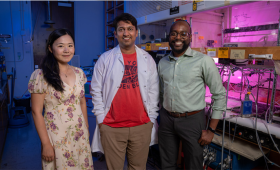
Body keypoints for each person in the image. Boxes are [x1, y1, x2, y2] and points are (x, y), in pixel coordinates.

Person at [90, 13, 159, 170]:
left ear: (136, 32)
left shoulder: (147, 59)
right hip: (112, 126)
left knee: (138, 167)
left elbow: (154, 91)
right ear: (115, 34)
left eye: (130, 29)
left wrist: (151, 118)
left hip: (141, 125)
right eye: (121, 29)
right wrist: (101, 120)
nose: (126, 33)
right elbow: (95, 90)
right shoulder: (105, 59)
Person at [158, 20, 226, 170]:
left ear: (190, 37)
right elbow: (162, 92)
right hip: (167, 119)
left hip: (192, 120)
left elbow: (220, 95)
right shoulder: (162, 62)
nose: (178, 38)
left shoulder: (203, 61)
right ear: (169, 36)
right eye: (174, 33)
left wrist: (211, 131)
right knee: (166, 164)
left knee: (193, 165)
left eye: (183, 34)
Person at [28, 28, 94, 170]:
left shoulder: (79, 73)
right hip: (57, 137)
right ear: (50, 48)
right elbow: (36, 112)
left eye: (70, 46)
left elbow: (82, 102)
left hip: (79, 133)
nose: (66, 50)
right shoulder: (41, 76)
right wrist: (46, 144)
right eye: (60, 46)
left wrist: (86, 128)